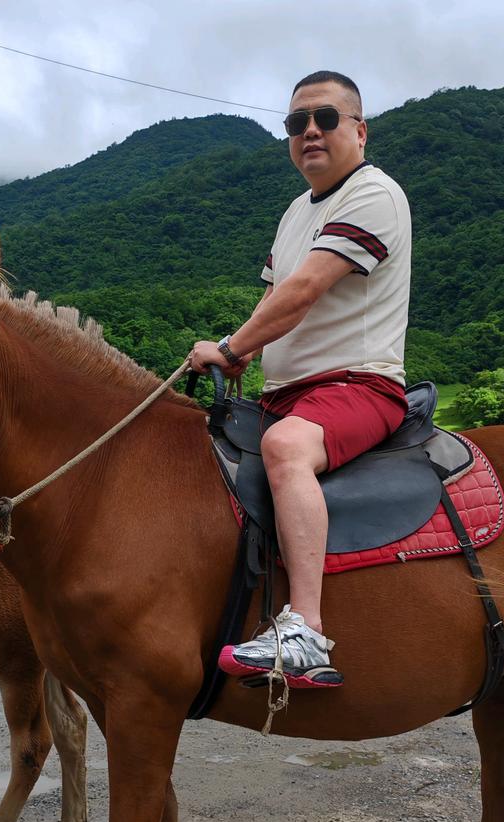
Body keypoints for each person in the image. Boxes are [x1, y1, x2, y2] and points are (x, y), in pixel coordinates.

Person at [188, 70, 412, 688]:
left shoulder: (374, 194)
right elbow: (274, 304)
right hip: (284, 392)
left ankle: (306, 632)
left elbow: (306, 291)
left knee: (286, 449)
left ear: (359, 131)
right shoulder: (294, 213)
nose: (310, 130)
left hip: (358, 387)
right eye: (296, 123)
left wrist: (231, 346)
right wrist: (238, 356)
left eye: (326, 118)